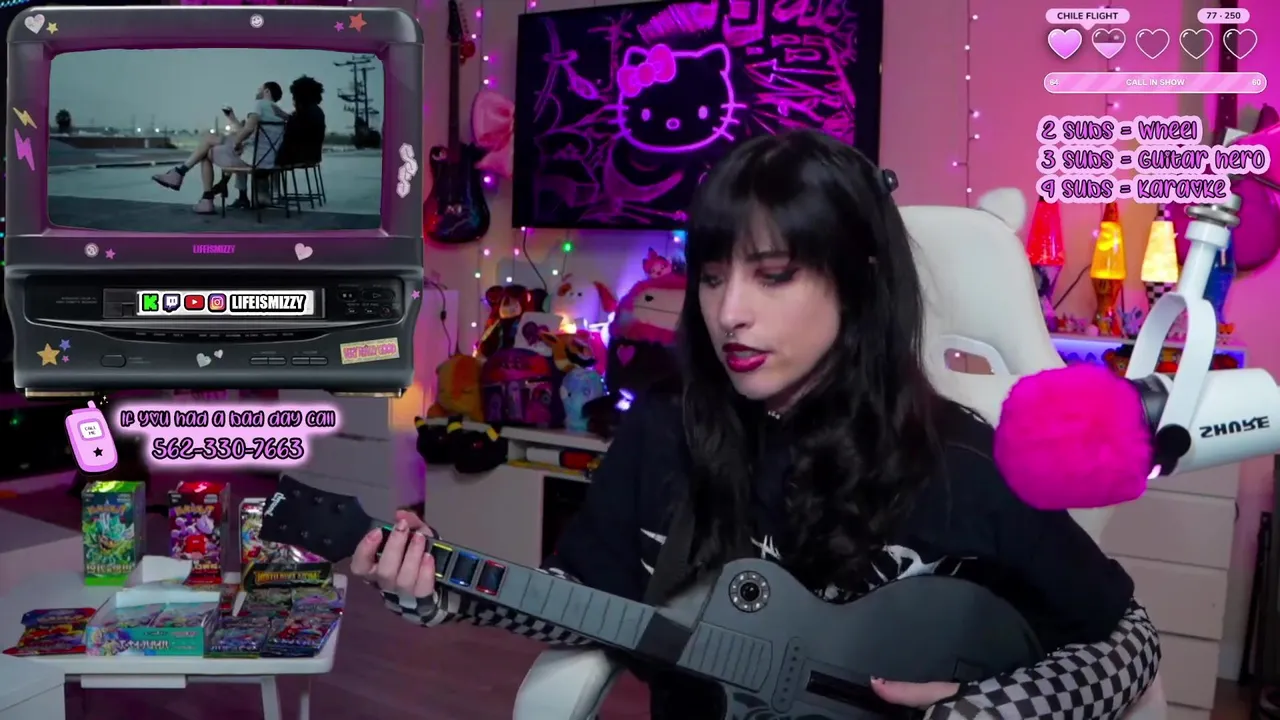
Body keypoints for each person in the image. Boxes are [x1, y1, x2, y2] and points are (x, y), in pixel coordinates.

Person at [352, 130, 1161, 719]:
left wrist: (992, 709)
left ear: (859, 285)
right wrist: (437, 587)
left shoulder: (962, 462)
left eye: (773, 276)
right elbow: (581, 603)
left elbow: (1128, 640)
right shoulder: (662, 433)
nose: (730, 312)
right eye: (711, 277)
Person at [150, 81, 287, 214]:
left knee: (206, 150)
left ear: (266, 91)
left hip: (251, 159)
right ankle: (180, 175)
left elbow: (249, 129)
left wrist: (237, 143)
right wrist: (233, 119)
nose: (257, 92)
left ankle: (200, 194)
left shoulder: (260, 104)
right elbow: (251, 133)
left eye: (259, 89)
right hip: (265, 160)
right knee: (210, 141)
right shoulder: (279, 112)